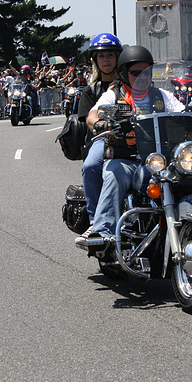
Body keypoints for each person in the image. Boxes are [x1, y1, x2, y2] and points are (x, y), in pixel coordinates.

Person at [78, 45, 184, 256]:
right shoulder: (113, 96)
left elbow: (182, 112)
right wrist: (98, 123)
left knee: (191, 175)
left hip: (157, 160)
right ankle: (102, 231)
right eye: (136, 73)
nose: (143, 77)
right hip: (125, 158)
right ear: (125, 73)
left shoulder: (162, 95)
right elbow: (92, 115)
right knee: (114, 175)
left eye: (147, 72)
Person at [75, 33, 123, 243]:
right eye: (101, 56)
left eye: (110, 55)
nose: (106, 60)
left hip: (132, 137)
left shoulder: (129, 85)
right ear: (95, 60)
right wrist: (100, 124)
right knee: (91, 166)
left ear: (118, 58)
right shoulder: (91, 91)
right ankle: (96, 222)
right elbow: (88, 119)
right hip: (102, 139)